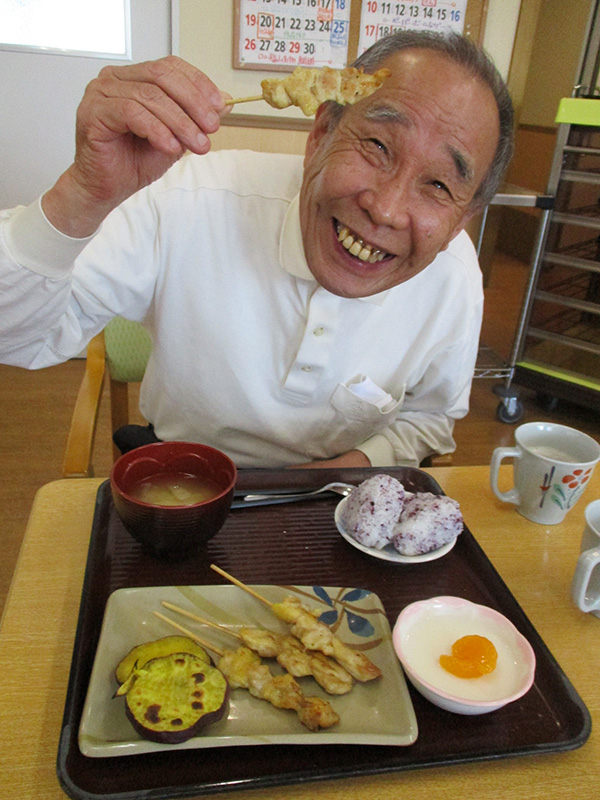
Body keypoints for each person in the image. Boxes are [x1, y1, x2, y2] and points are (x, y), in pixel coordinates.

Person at [0, 30, 513, 469]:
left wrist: (334, 478)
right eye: (377, 146)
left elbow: (429, 418)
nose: (385, 210)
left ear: (462, 220)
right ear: (320, 134)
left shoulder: (453, 274)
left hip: (336, 500)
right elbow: (15, 337)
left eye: (440, 186)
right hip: (182, 479)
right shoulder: (186, 198)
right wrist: (83, 195)